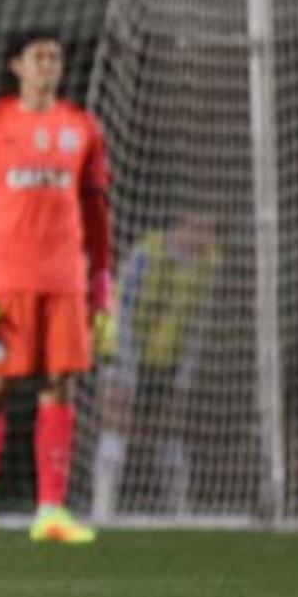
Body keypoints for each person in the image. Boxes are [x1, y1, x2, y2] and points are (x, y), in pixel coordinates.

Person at [0, 30, 114, 545]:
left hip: (63, 277)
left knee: (59, 383)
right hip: (7, 280)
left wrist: (101, 288)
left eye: (55, 57)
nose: (48, 65)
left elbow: (94, 212)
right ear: (16, 65)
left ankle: (50, 510)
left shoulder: (81, 128)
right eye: (38, 57)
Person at [91, 213, 219, 522]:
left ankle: (179, 512)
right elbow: (123, 307)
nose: (206, 239)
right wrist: (125, 371)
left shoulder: (209, 264)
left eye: (211, 231)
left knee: (171, 431)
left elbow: (198, 326)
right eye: (200, 229)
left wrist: (184, 379)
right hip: (124, 350)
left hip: (167, 360)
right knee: (117, 421)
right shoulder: (147, 254)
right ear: (180, 226)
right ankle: (102, 509)